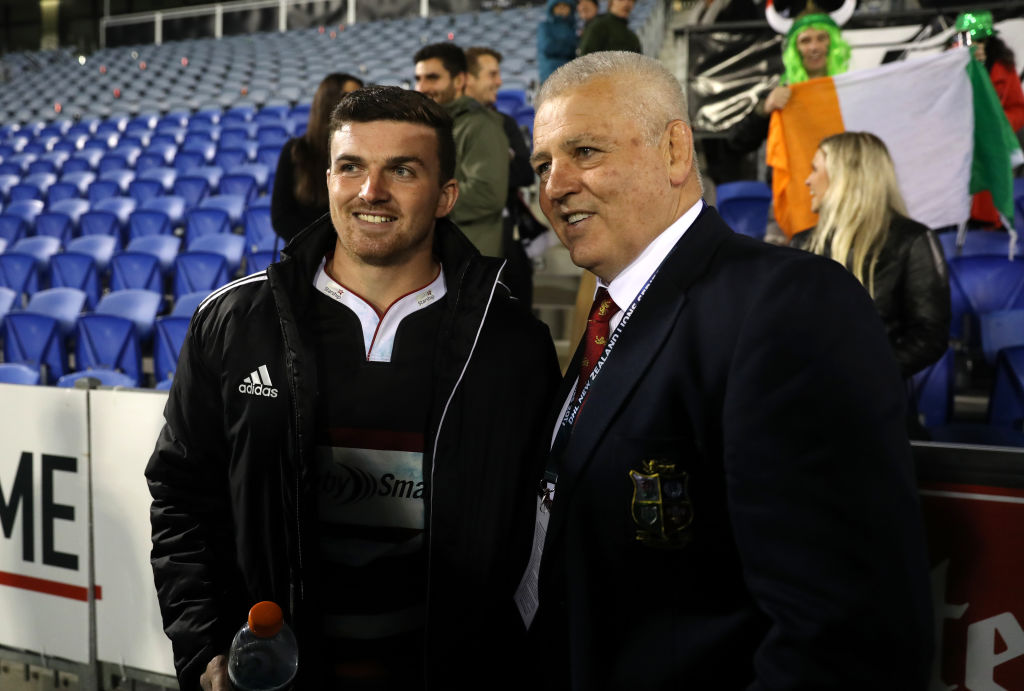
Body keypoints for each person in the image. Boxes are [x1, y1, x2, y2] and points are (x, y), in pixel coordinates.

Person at [518, 51, 933, 689]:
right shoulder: (616, 310)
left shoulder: (790, 304)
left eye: (586, 152)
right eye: (543, 164)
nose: (555, 185)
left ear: (677, 150)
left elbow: (840, 631)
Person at [147, 86, 560, 691]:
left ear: (447, 195)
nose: (372, 192)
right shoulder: (235, 323)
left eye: (402, 169)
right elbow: (182, 497)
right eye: (351, 167)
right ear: (329, 179)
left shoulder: (511, 345)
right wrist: (205, 647)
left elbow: (538, 538)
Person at [796, 132, 950, 379]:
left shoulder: (913, 241)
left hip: (875, 404)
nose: (807, 180)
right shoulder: (802, 243)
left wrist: (866, 376)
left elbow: (929, 335)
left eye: (815, 169)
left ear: (844, 177)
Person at [414, 43, 509, 257]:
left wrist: (421, 200)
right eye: (418, 79)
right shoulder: (430, 125)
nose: (422, 87)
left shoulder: (480, 125)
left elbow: (487, 194)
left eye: (432, 78)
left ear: (459, 81)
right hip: (436, 255)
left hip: (468, 259)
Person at [727, 0, 853, 155]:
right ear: (794, 48)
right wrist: (765, 109)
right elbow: (737, 141)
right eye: (805, 41)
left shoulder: (849, 89)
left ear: (833, 43)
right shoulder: (780, 91)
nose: (814, 47)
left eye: (821, 38)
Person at [465, 45, 539, 307]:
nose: (499, 81)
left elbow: (525, 172)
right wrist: (500, 160)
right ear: (467, 79)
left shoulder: (505, 123)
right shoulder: (446, 124)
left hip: (509, 235)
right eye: (492, 74)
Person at [270, 73, 363, 243]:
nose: (357, 104)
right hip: (308, 255)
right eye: (347, 97)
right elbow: (281, 218)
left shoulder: (364, 153)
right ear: (328, 101)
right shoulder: (295, 152)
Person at [953, 10, 1024, 227]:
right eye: (967, 38)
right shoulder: (950, 63)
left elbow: (1017, 108)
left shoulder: (1004, 66)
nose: (975, 43)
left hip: (993, 148)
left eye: (979, 39)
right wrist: (961, 62)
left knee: (990, 204)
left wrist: (999, 124)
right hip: (960, 148)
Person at [537, 0, 578, 84]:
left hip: (570, 74)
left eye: (565, 6)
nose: (562, 9)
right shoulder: (545, 26)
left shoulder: (573, 28)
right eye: (558, 6)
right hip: (551, 73)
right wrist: (570, 47)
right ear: (552, 8)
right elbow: (548, 47)